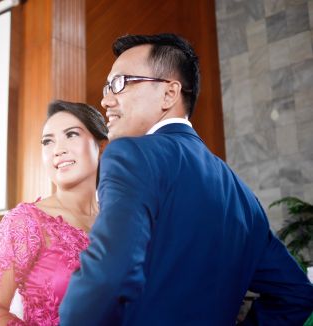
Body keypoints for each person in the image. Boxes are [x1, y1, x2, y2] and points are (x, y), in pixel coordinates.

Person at [59, 33, 313, 325]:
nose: (105, 100)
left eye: (120, 83)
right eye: (107, 86)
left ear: (169, 93)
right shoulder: (244, 198)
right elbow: (296, 294)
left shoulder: (129, 155)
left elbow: (109, 275)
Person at [0, 100, 108, 325]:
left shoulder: (121, 222)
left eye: (71, 135)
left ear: (101, 145)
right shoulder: (26, 222)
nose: (58, 150)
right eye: (47, 141)